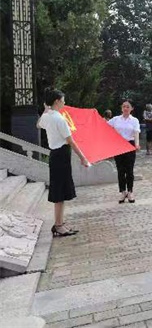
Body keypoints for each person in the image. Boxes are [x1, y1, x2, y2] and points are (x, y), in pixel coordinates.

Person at [37, 88, 89, 237]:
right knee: (60, 191)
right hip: (61, 155)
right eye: (63, 100)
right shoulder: (59, 119)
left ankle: (59, 222)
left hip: (56, 156)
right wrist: (83, 158)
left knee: (60, 190)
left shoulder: (47, 116)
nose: (64, 103)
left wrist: (45, 110)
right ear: (57, 101)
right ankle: (58, 225)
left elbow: (38, 125)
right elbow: (71, 141)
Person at [108, 100, 141, 203]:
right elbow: (104, 126)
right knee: (120, 170)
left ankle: (130, 191)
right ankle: (123, 191)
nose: (125, 108)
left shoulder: (134, 120)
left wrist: (137, 144)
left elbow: (136, 132)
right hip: (118, 145)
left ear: (131, 108)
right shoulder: (116, 119)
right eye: (124, 106)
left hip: (129, 145)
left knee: (129, 170)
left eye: (127, 107)